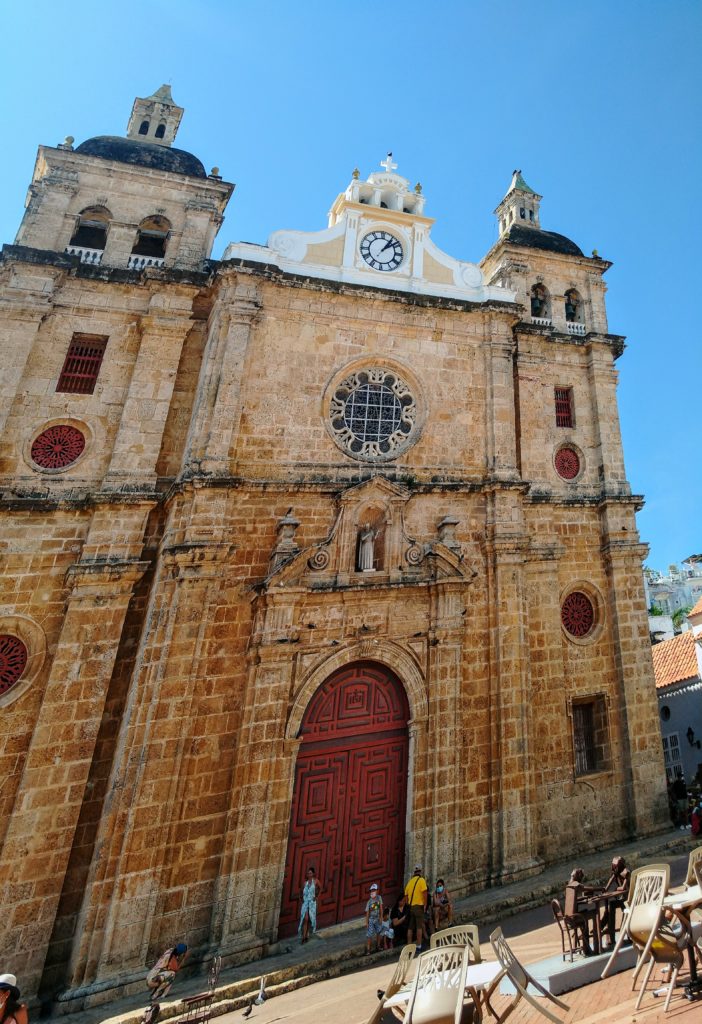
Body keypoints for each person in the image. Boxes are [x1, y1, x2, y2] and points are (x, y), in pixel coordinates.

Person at [563, 869, 595, 956]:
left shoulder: (568, 886)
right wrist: (599, 889)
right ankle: (587, 949)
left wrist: (582, 898)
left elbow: (573, 900)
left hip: (568, 918)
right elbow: (585, 888)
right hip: (574, 918)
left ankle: (584, 945)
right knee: (593, 914)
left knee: (585, 912)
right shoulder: (575, 884)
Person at [602, 856, 631, 948]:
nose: (613, 869)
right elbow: (608, 885)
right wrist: (604, 889)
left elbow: (623, 888)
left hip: (628, 900)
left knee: (623, 910)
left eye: (615, 866)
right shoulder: (616, 873)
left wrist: (615, 889)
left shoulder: (626, 872)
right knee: (611, 905)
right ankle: (611, 936)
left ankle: (623, 934)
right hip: (622, 899)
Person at [404, 864, 428, 947]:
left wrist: (408, 903)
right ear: (420, 872)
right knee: (419, 927)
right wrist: (425, 905)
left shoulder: (410, 882)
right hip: (418, 906)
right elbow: (425, 893)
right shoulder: (421, 880)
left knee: (410, 927)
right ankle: (419, 945)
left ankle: (409, 945)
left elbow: (406, 895)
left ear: (414, 872)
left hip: (411, 907)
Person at [298, 866, 321, 944]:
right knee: (305, 919)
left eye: (310, 873)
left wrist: (316, 897)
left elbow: (320, 888)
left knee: (310, 919)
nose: (309, 874)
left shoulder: (316, 881)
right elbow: (300, 892)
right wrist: (302, 900)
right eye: (308, 873)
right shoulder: (305, 883)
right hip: (305, 904)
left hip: (312, 903)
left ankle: (307, 935)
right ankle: (304, 937)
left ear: (313, 874)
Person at [364, 883, 384, 954]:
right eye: (371, 890)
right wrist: (367, 922)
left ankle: (378, 946)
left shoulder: (379, 898)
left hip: (377, 919)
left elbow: (381, 908)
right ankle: (368, 949)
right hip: (371, 920)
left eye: (374, 890)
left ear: (377, 890)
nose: (372, 892)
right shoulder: (369, 902)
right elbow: (367, 913)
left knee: (379, 931)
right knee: (369, 934)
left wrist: (381, 917)